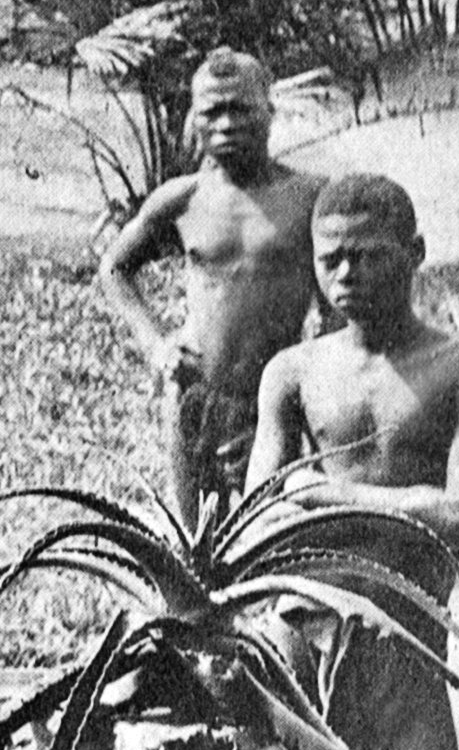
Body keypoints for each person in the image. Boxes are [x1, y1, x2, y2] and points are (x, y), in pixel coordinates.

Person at [244, 173, 459, 750]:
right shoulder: (293, 373)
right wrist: (404, 502)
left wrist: (325, 494)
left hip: (413, 638)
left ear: (416, 252)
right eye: (331, 259)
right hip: (307, 630)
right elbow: (260, 511)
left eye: (369, 254)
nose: (347, 272)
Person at [98, 48, 327, 519]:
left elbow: (336, 308)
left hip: (273, 400)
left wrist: (320, 373)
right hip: (194, 395)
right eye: (212, 111)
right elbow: (115, 269)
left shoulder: (309, 198)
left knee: (269, 532)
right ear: (194, 119)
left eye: (239, 108)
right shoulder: (183, 200)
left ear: (269, 110)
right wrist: (157, 343)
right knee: (195, 544)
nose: (226, 124)